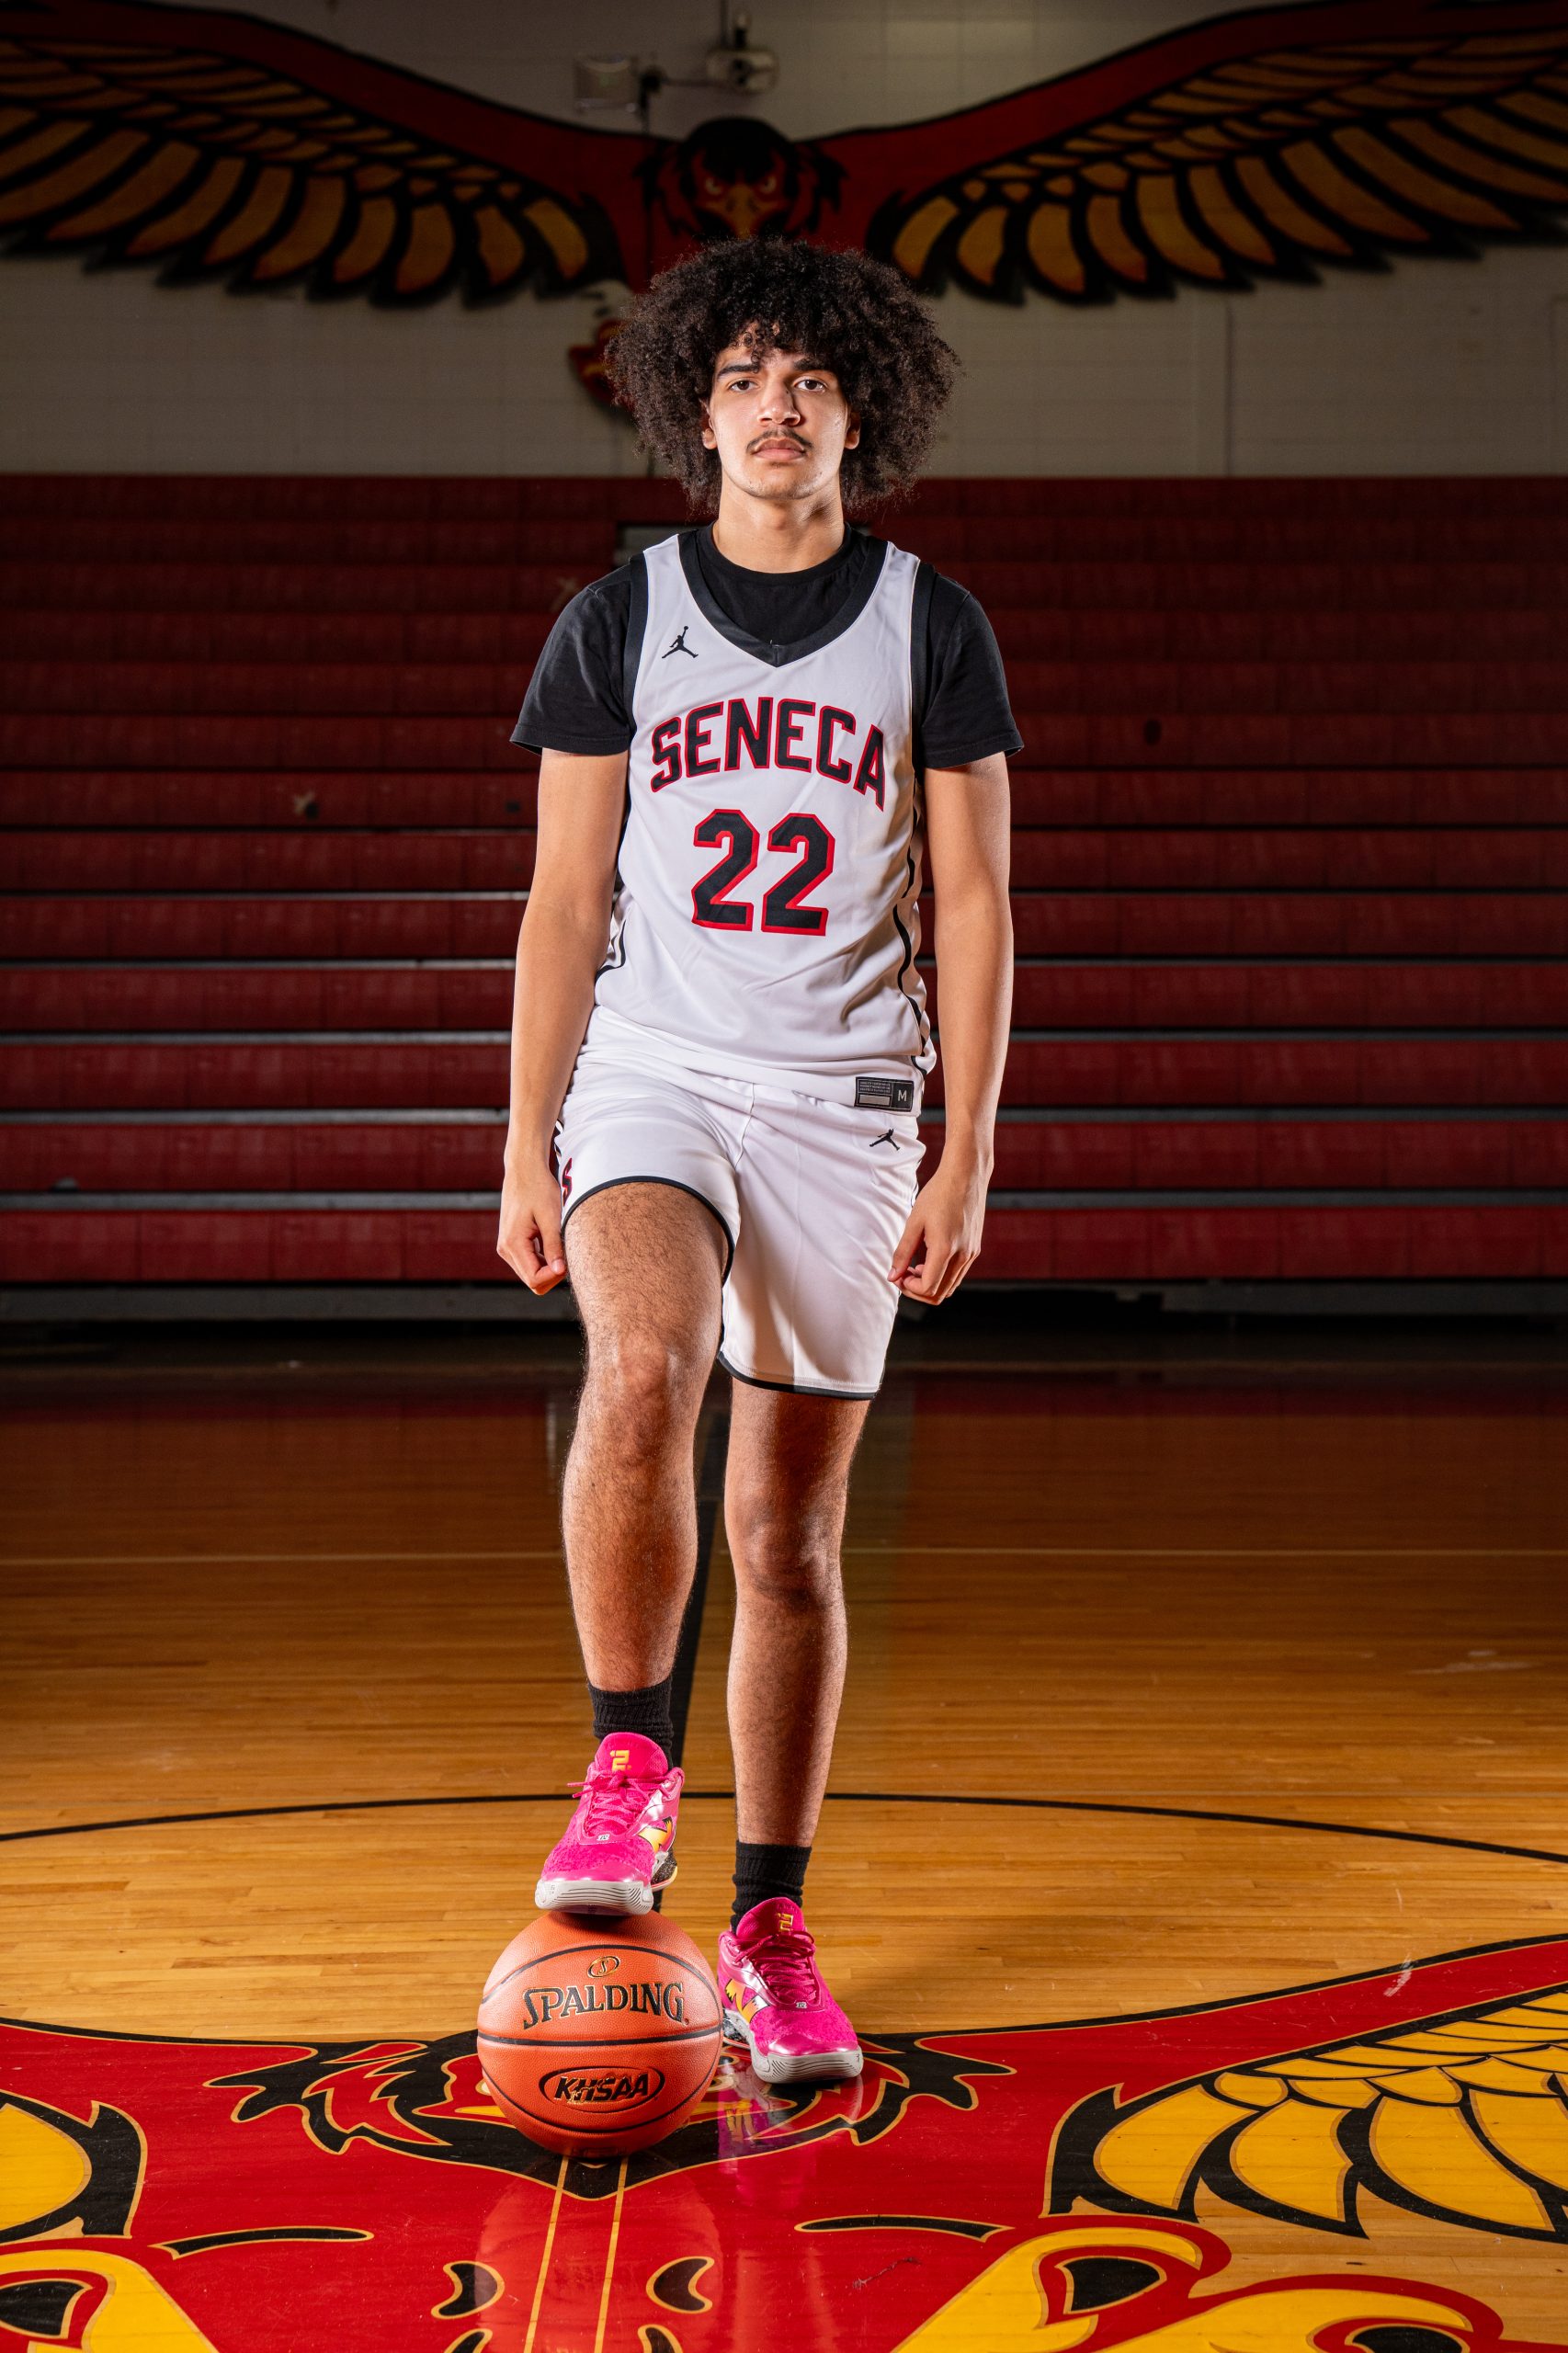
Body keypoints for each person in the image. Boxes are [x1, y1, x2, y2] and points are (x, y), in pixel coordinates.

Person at [498, 239, 1017, 2086]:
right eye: (741, 379)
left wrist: (967, 1146)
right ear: (691, 415)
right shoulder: (617, 618)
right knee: (640, 1369)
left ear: (859, 412)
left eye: (809, 378)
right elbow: (566, 900)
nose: (775, 407)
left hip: (847, 1101)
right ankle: (627, 1758)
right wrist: (526, 1136)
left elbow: (974, 898)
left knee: (784, 1536)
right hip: (657, 1069)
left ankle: (773, 1922)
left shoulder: (930, 621)